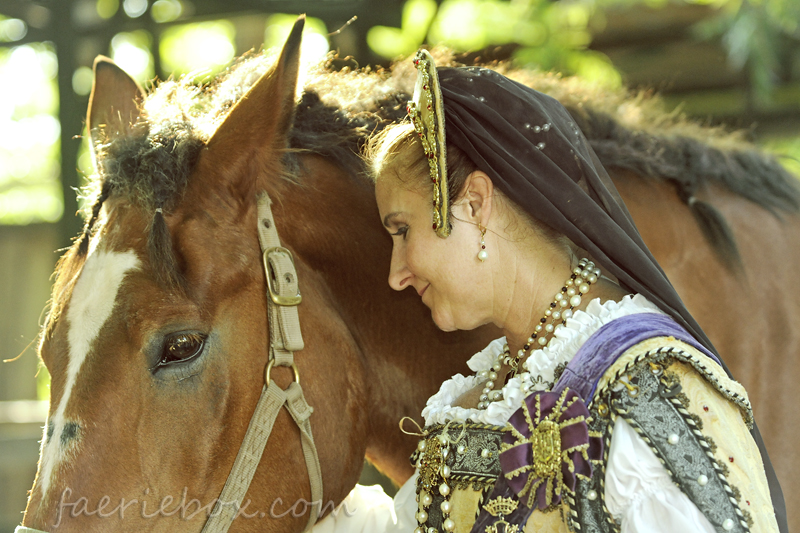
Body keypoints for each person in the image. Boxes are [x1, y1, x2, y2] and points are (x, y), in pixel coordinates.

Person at [313, 50, 785, 533]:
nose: (397, 274)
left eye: (403, 231)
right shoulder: (484, 392)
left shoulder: (642, 383)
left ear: (475, 204)